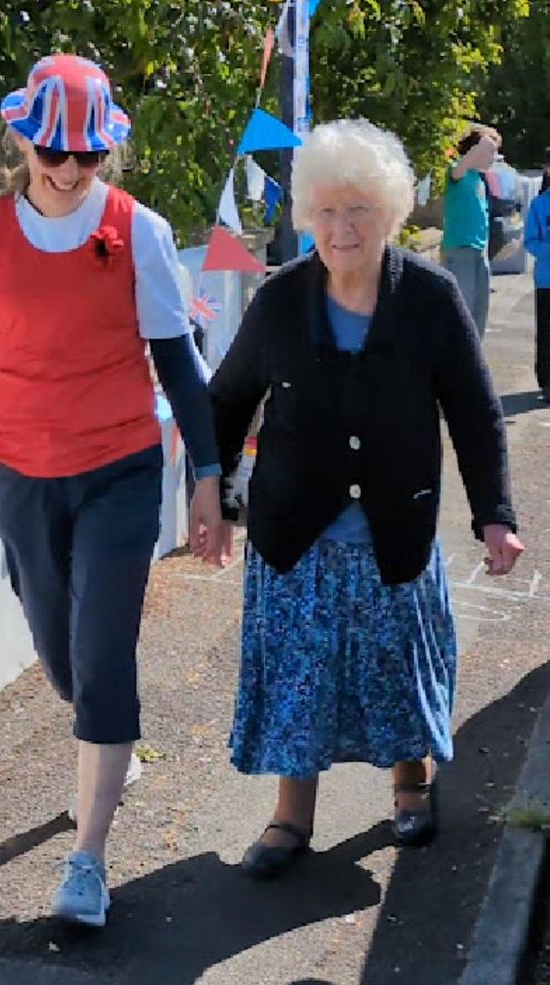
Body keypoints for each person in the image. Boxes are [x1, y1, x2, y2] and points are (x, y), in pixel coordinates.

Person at [0, 54, 223, 927]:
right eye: (54, 152)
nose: (70, 170)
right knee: (59, 649)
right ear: (24, 143)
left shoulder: (139, 231)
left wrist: (207, 475)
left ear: (105, 152)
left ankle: (88, 860)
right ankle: (101, 731)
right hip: (21, 472)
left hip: (120, 466)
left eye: (87, 155)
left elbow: (178, 364)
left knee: (105, 650)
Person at [208, 118, 524, 879]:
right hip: (296, 534)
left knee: (398, 671)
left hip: (392, 526)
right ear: (306, 214)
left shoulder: (429, 298)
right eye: (326, 211)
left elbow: (474, 411)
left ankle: (411, 785)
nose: (341, 228)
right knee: (299, 680)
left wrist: (495, 515)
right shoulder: (280, 299)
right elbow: (226, 400)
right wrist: (208, 492)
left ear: (389, 214)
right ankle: (291, 817)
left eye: (358, 210)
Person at [441, 124, 501, 339]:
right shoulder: (458, 172)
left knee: (479, 311)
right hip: (460, 248)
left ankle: (475, 354)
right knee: (462, 309)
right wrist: (482, 143)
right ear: (475, 150)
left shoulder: (479, 179)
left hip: (479, 250)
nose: (493, 158)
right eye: (490, 152)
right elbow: (458, 170)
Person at [524, 161, 550, 402]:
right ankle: (547, 382)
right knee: (546, 334)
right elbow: (530, 242)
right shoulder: (540, 204)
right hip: (546, 280)